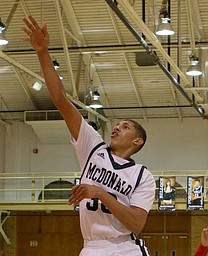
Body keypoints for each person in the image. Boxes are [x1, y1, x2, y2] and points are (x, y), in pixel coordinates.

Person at [22, 15, 156, 256]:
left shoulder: (142, 176)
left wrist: (101, 193)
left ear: (138, 141)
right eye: (118, 124)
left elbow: (136, 224)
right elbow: (61, 100)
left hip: (126, 247)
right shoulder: (93, 147)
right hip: (92, 247)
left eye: (126, 127)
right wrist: (42, 52)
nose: (117, 127)